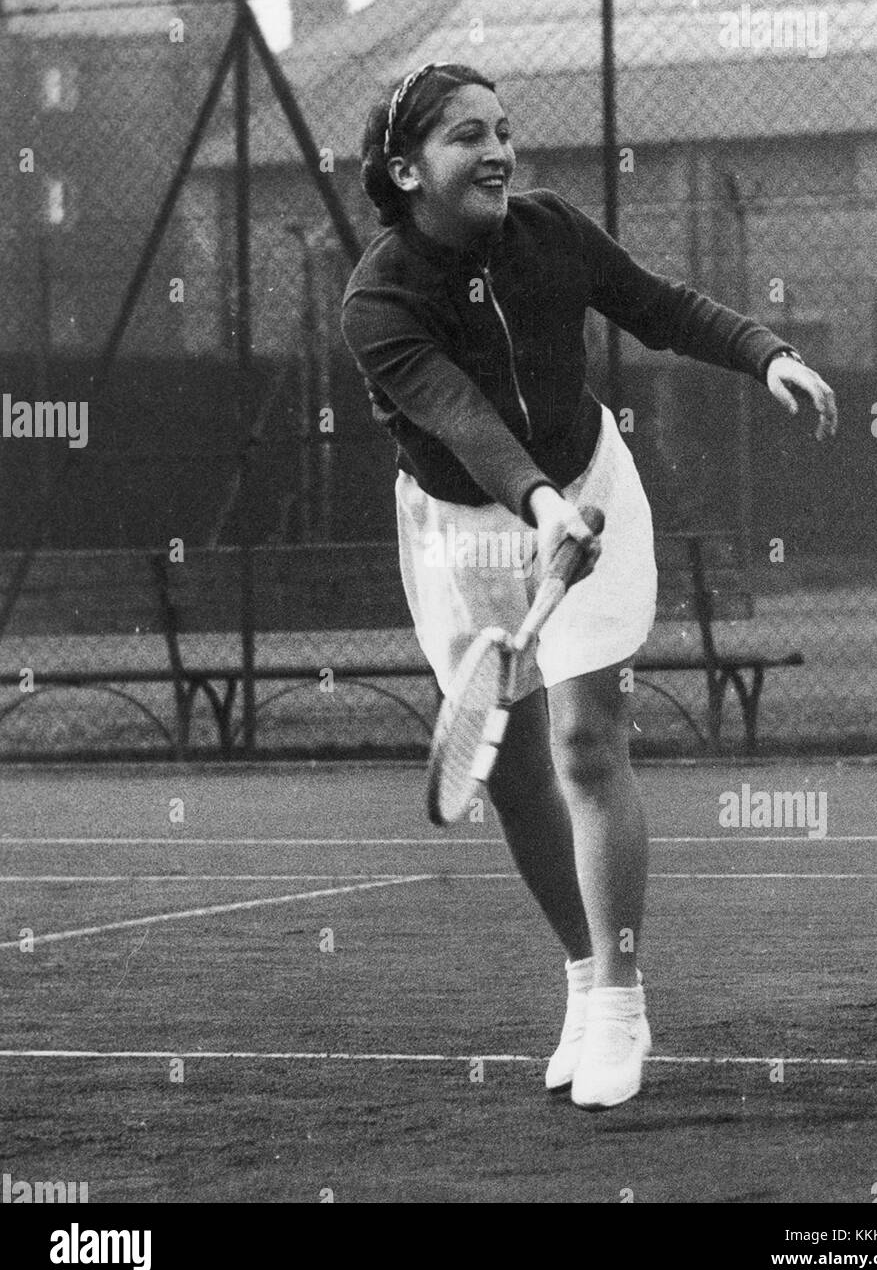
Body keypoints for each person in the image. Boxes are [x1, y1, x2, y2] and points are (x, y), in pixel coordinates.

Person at [340, 62, 837, 1110]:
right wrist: (532, 509)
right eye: (465, 137)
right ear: (405, 170)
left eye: (503, 131)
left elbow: (655, 306)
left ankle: (618, 999)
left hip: (588, 481)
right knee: (512, 768)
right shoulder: (376, 300)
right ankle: (579, 973)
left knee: (581, 739)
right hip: (460, 535)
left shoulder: (551, 230)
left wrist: (765, 355)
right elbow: (459, 416)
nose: (497, 152)